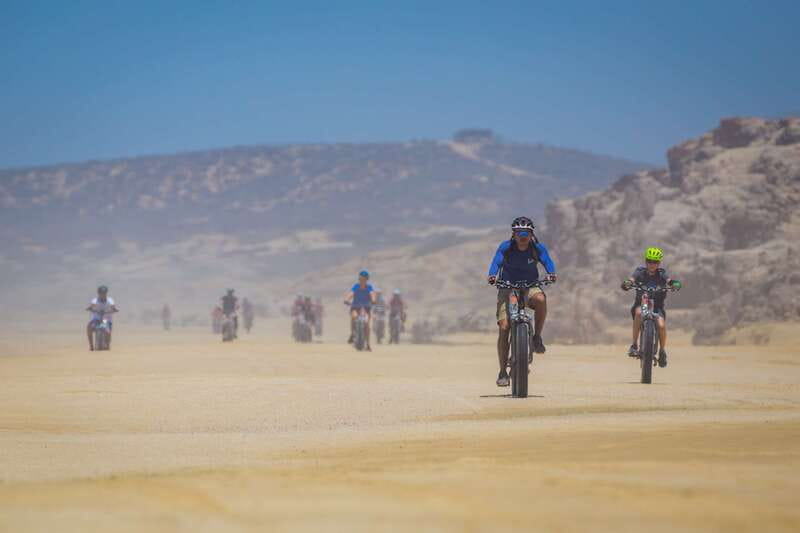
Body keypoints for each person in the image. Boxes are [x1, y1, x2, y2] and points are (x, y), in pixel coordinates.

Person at [487, 216, 557, 387]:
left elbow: (547, 261)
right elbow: (496, 261)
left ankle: (537, 338)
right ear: (514, 234)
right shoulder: (506, 247)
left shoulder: (537, 248)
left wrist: (551, 272)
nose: (523, 236)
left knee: (540, 299)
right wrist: (492, 275)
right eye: (519, 233)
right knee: (504, 327)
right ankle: (503, 372)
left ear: (532, 234)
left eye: (526, 233)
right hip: (507, 287)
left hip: (530, 286)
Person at [621, 247, 682, 368]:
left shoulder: (662, 274)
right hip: (641, 304)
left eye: (655, 262)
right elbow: (632, 279)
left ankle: (662, 351)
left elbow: (669, 281)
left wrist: (675, 284)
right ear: (645, 261)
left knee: (661, 325)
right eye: (649, 261)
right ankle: (634, 345)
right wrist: (628, 283)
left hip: (657, 307)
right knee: (639, 314)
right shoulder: (640, 271)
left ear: (659, 263)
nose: (652, 264)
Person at [343, 270, 377, 350]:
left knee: (367, 326)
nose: (361, 281)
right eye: (360, 279)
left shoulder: (369, 287)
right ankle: (352, 334)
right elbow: (351, 293)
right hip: (355, 307)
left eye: (363, 279)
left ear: (366, 279)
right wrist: (347, 299)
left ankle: (368, 344)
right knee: (354, 317)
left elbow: (372, 294)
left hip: (366, 308)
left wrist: (373, 300)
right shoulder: (356, 286)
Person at [86, 285, 119, 350]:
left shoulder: (110, 300)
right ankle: (91, 346)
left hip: (105, 320)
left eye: (104, 293)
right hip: (96, 319)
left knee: (107, 331)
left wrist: (111, 310)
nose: (103, 294)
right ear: (98, 293)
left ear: (106, 293)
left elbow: (113, 308)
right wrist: (91, 309)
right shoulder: (95, 300)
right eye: (101, 293)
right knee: (89, 327)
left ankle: (108, 345)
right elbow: (91, 307)